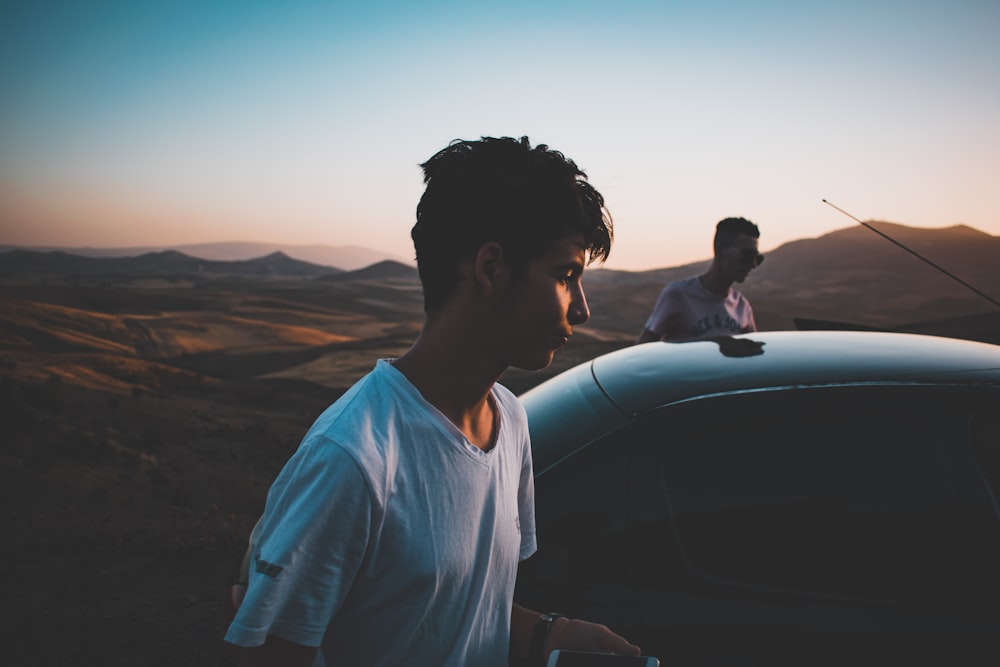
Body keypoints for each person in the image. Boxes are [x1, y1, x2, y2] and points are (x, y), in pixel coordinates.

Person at [223, 136, 640, 666]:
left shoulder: (510, 420)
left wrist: (548, 635)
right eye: (565, 276)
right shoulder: (352, 459)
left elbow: (455, 610)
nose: (580, 310)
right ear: (491, 269)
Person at [636, 217, 764, 355]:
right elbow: (641, 351)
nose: (753, 264)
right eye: (747, 255)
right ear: (720, 250)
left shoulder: (742, 306)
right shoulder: (678, 295)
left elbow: (753, 356)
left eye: (757, 258)